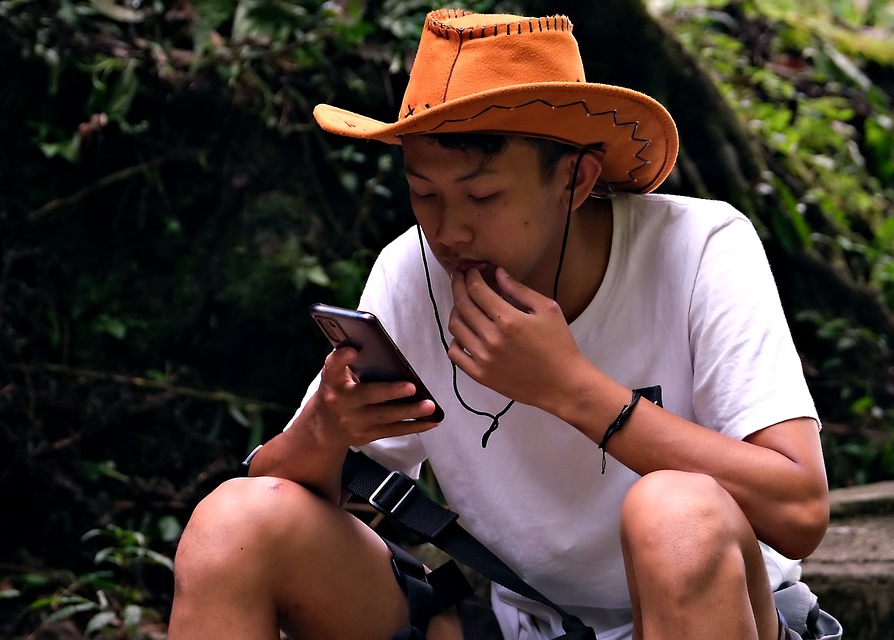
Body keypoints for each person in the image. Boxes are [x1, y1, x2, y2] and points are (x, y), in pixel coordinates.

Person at [168, 9, 843, 640]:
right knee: (232, 521)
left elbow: (799, 511)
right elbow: (281, 499)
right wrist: (327, 428)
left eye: (483, 195)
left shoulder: (698, 249)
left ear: (576, 180)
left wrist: (573, 389)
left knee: (676, 512)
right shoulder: (413, 271)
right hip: (512, 617)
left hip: (707, 606)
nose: (448, 229)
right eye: (424, 193)